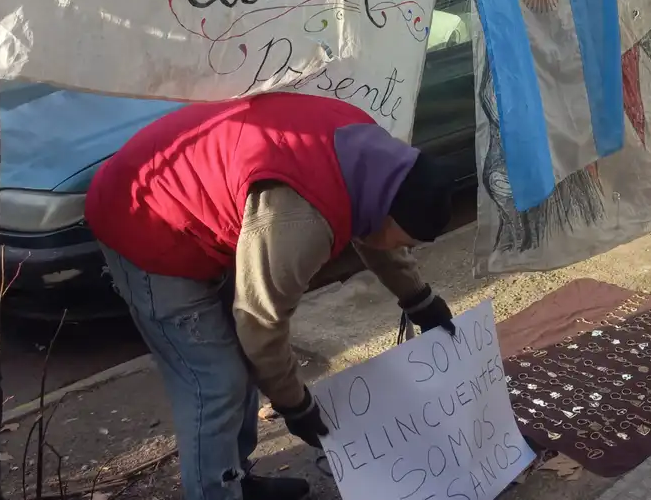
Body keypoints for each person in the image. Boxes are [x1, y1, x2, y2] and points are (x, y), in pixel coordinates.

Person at [85, 93, 457, 500]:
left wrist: (417, 299)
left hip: (203, 200)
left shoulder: (373, 157)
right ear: (387, 211)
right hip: (143, 217)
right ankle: (216, 493)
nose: (399, 248)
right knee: (215, 383)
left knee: (239, 364)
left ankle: (235, 479)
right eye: (403, 240)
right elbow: (260, 323)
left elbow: (373, 229)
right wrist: (295, 404)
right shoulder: (300, 218)